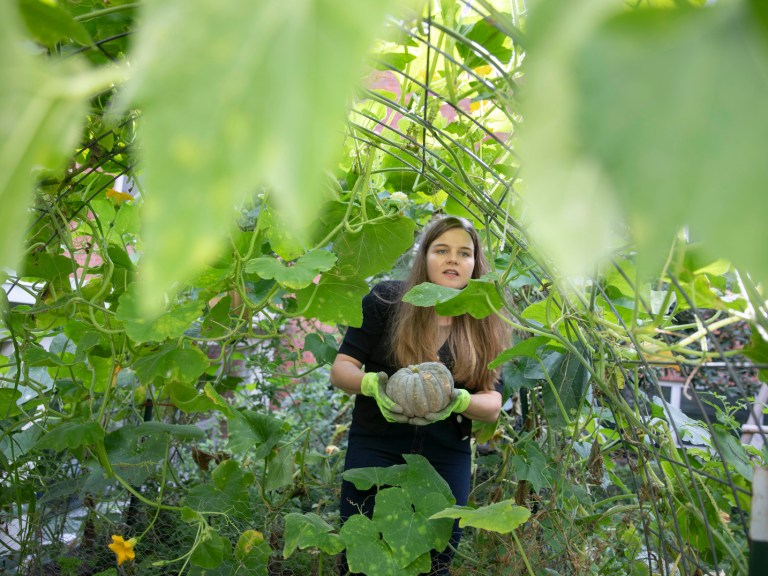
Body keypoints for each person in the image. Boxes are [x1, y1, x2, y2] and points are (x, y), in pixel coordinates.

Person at [330, 215, 509, 575]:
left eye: (464, 252)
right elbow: (341, 369)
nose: (453, 259)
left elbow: (492, 405)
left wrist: (459, 401)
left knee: (434, 562)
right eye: (441, 250)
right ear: (424, 257)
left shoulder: (484, 317)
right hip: (376, 444)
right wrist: (371, 385)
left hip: (445, 455)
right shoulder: (385, 301)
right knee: (360, 557)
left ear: (476, 264)